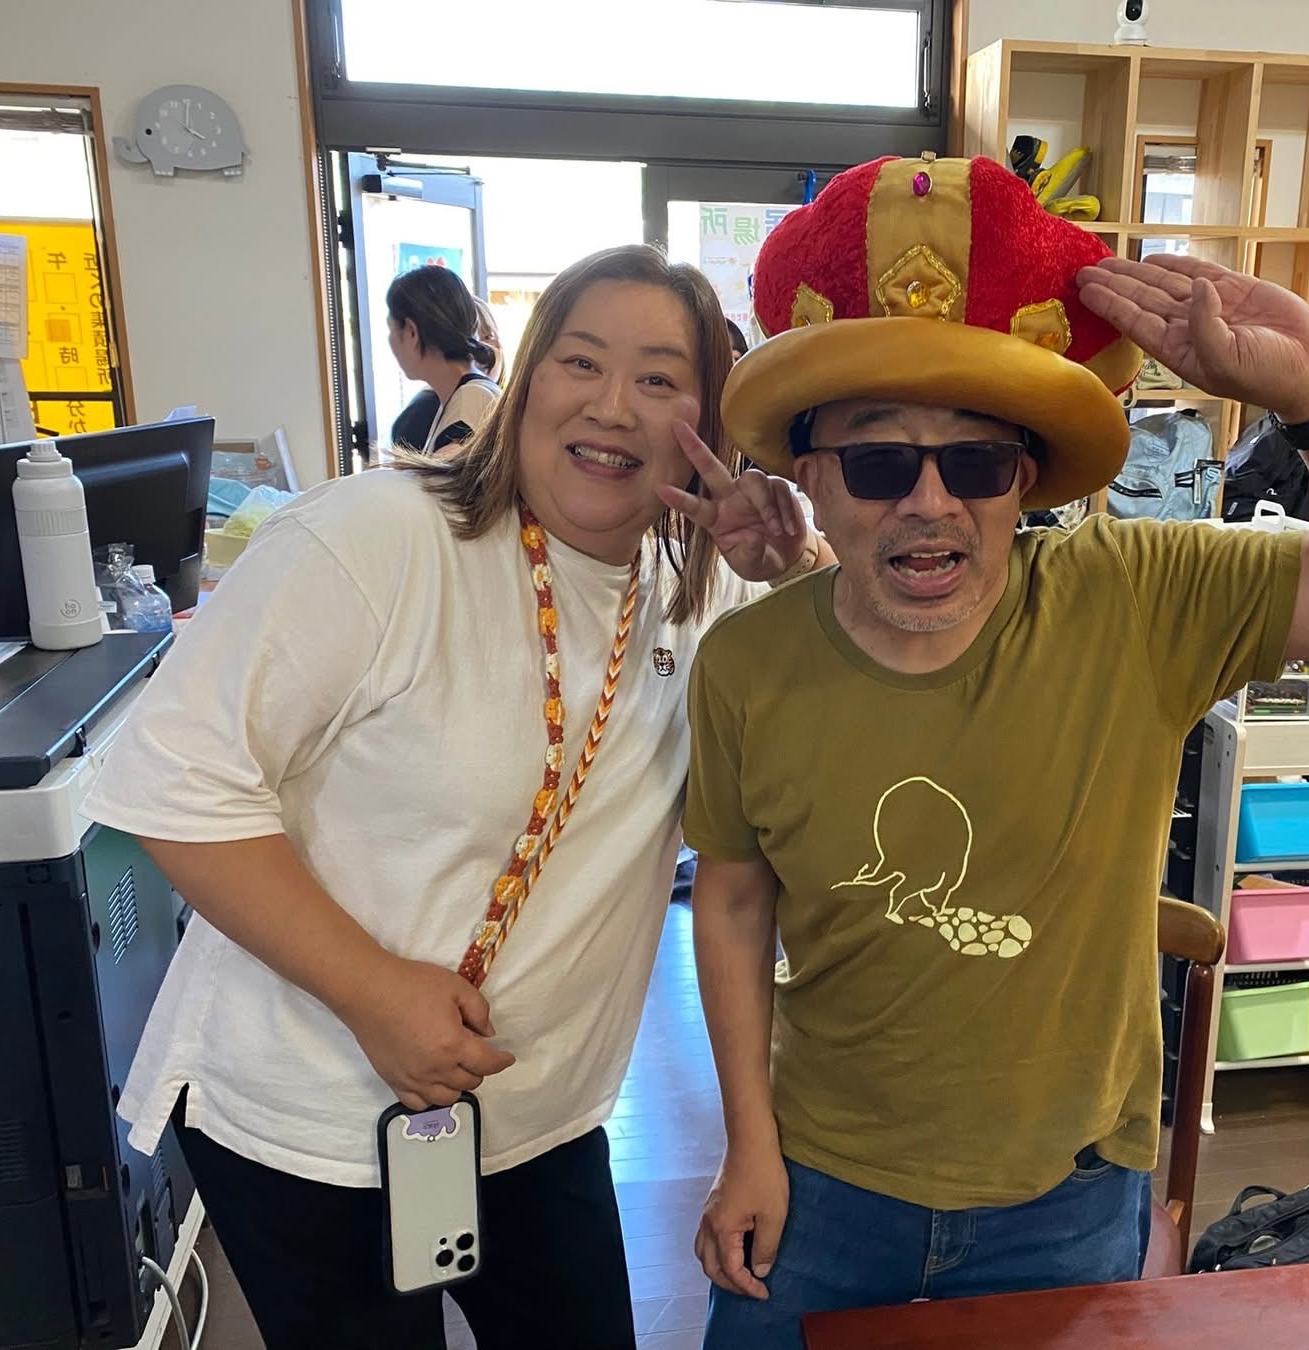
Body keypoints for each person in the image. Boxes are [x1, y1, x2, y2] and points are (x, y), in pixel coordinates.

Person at [681, 154, 1309, 1346]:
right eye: (880, 462)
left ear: (1027, 479)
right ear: (811, 481)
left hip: (1066, 1189)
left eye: (977, 463)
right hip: (820, 1173)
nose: (930, 503)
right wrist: (747, 1142)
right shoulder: (746, 666)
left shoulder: (1135, 599)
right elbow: (734, 903)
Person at [82, 244, 824, 1350]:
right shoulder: (375, 537)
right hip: (312, 1120)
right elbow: (176, 784)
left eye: (661, 379)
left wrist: (801, 566)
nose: (613, 406)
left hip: (537, 1119)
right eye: (581, 361)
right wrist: (375, 991)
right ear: (526, 379)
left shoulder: (701, 596)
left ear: (706, 423)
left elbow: (858, 697)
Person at [384, 265, 501, 458]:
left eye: (391, 329)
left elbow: (445, 474)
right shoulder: (468, 394)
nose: (390, 341)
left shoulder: (470, 402)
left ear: (411, 332)